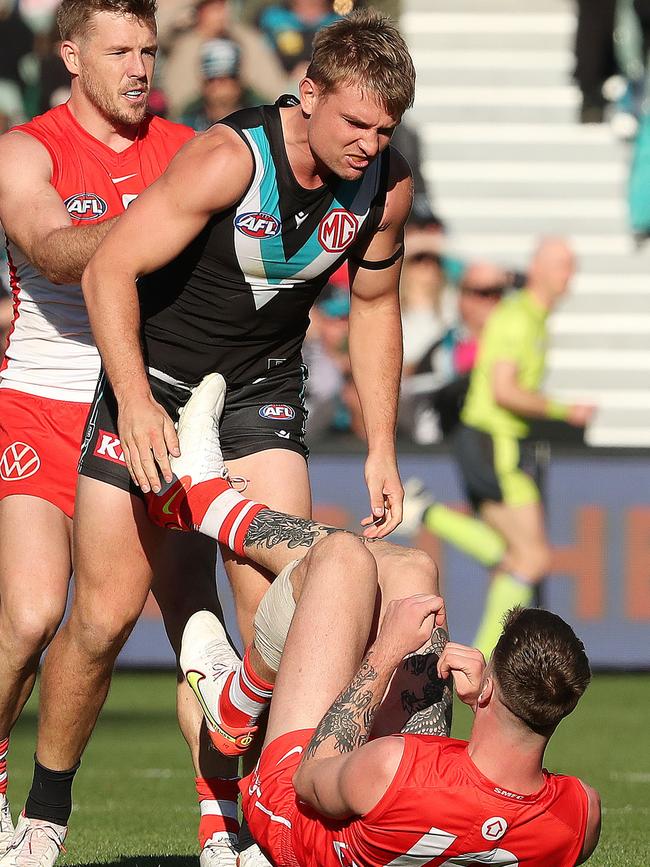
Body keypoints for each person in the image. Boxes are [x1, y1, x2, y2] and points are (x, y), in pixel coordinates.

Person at [7, 10, 414, 866]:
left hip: (258, 393)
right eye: (355, 124)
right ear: (308, 95)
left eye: (386, 130)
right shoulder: (231, 156)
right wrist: (133, 399)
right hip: (152, 382)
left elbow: (376, 306)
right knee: (102, 617)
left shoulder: (387, 185)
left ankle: (247, 826)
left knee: (282, 604)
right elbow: (110, 265)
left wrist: (382, 443)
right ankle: (43, 812)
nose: (369, 145)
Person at [0, 2, 240, 865]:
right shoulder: (26, 148)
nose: (141, 67)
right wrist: (153, 229)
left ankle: (227, 832)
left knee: (192, 625)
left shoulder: (189, 149)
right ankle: (1, 779)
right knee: (30, 616)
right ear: (71, 54)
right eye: (118, 51)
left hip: (148, 403)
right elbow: (52, 245)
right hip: (44, 398)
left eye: (147, 49)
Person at [179, 495, 601, 865]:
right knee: (415, 569)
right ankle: (212, 506)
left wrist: (386, 653)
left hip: (290, 814)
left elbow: (309, 778)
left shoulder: (389, 766)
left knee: (344, 557)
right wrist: (482, 706)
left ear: (489, 685)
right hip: (406, 803)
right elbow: (499, 792)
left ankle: (240, 695)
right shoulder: (580, 816)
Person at [403, 239, 596, 658]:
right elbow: (504, 390)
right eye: (563, 266)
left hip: (488, 441)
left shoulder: (530, 318)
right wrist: (566, 411)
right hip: (494, 443)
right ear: (540, 269)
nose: (570, 276)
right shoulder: (520, 320)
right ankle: (483, 655)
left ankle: (423, 512)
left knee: (512, 558)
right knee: (532, 559)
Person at [179, 37, 259, 132]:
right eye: (212, 79)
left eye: (227, 77)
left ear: (238, 81)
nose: (219, 86)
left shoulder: (260, 120)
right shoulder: (188, 123)